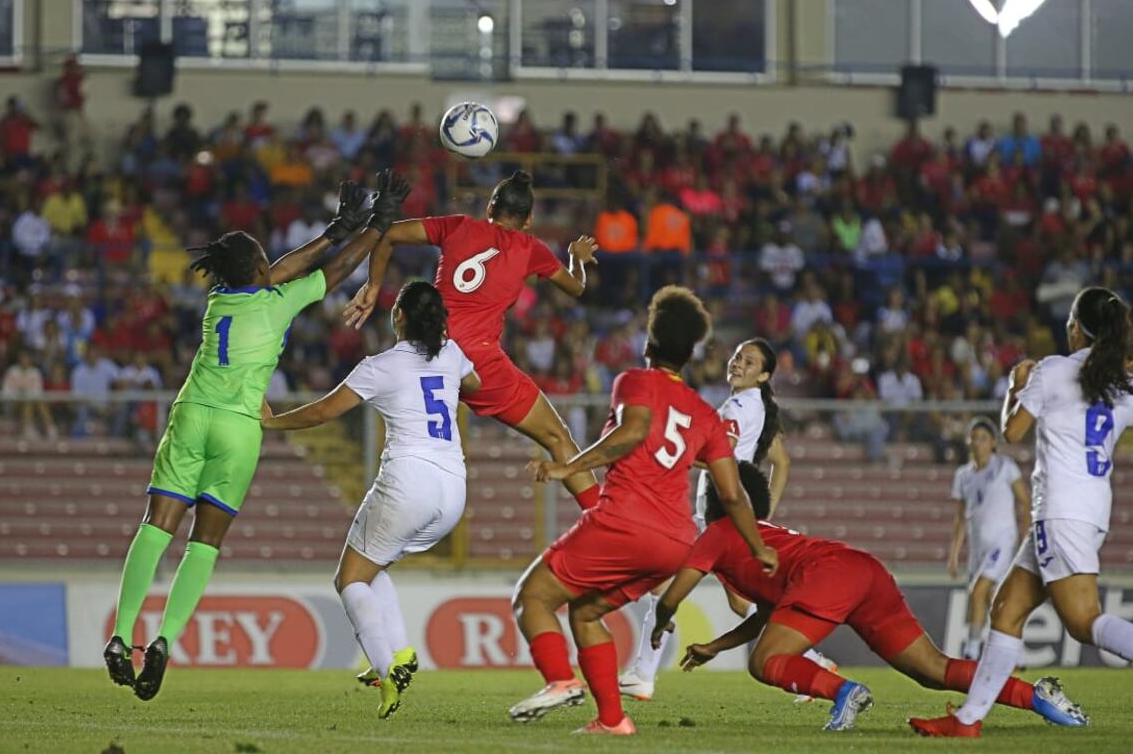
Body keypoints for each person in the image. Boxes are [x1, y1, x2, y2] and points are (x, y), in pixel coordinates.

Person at [102, 172, 410, 700]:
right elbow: (335, 271)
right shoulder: (276, 303)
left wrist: (336, 229)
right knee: (205, 541)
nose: (274, 265)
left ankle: (120, 635)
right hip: (238, 426)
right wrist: (376, 226)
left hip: (191, 414)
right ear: (259, 270)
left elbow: (281, 267)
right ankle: (164, 640)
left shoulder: (220, 299)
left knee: (157, 526)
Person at [507, 287, 778, 736]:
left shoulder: (634, 381)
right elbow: (732, 494)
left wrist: (566, 467)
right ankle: (613, 721)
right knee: (586, 613)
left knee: (532, 598)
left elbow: (633, 432)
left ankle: (560, 680)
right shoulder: (705, 415)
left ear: (649, 346)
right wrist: (758, 548)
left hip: (625, 522)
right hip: (675, 544)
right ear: (689, 355)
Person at [655, 462, 1089, 733]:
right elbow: (768, 614)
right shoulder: (758, 535)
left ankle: (845, 691)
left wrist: (660, 620)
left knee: (764, 661)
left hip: (827, 576)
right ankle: (1037, 697)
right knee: (933, 670)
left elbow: (676, 591)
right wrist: (716, 646)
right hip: (862, 570)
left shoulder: (718, 532)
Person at [912, 287, 1133, 737]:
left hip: (1060, 511)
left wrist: (1015, 387)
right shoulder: (1125, 383)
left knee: (1082, 621)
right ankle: (967, 720)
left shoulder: (1053, 370)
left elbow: (1011, 432)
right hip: (1086, 512)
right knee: (1006, 611)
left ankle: (967, 719)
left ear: (1076, 328)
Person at [261, 282, 481, 719]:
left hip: (409, 482)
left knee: (349, 580)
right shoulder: (452, 354)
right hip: (454, 490)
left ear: (398, 316)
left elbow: (324, 411)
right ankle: (401, 653)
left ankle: (386, 669)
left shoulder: (380, 366)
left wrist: (272, 423)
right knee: (373, 566)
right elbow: (474, 384)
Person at [344, 171, 603, 510]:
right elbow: (576, 287)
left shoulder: (458, 226)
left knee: (410, 440)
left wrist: (373, 286)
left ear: (490, 207)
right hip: (478, 365)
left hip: (428, 350)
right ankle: (600, 518)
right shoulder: (530, 248)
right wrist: (577, 259)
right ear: (528, 219)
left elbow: (388, 234)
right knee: (557, 437)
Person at [621, 338, 822, 701]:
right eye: (738, 357)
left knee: (664, 582)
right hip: (725, 516)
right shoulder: (758, 405)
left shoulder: (737, 406)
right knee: (742, 602)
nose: (738, 363)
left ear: (763, 375)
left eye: (749, 362)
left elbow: (720, 455)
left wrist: (671, 450)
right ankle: (813, 661)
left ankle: (643, 674)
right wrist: (763, 511)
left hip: (720, 516)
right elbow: (782, 461)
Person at [946, 416, 1030, 660]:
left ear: (993, 442)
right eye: (974, 438)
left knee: (978, 591)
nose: (978, 442)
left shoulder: (1005, 467)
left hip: (1002, 542)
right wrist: (954, 554)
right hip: (978, 548)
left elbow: (1025, 502)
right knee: (991, 600)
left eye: (983, 438)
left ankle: (971, 651)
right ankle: (1015, 652)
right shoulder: (963, 475)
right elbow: (961, 517)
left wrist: (1024, 537)